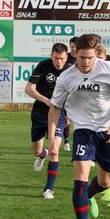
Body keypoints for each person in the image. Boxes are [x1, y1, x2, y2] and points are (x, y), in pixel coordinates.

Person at [48, 34, 110, 219]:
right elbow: (55, 107)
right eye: (82, 57)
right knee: (80, 178)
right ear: (74, 53)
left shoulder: (109, 70)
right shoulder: (67, 77)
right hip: (83, 130)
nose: (86, 62)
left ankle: (90, 195)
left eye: (90, 58)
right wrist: (53, 138)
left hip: (107, 131)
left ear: (96, 54)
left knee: (105, 182)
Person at [24, 43, 72, 199]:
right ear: (51, 55)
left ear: (66, 57)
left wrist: (69, 114)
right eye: (56, 58)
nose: (59, 62)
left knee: (54, 150)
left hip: (59, 113)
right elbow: (29, 89)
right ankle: (41, 154)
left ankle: (48, 189)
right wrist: (46, 100)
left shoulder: (71, 69)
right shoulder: (43, 66)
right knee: (37, 151)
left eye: (62, 58)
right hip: (40, 111)